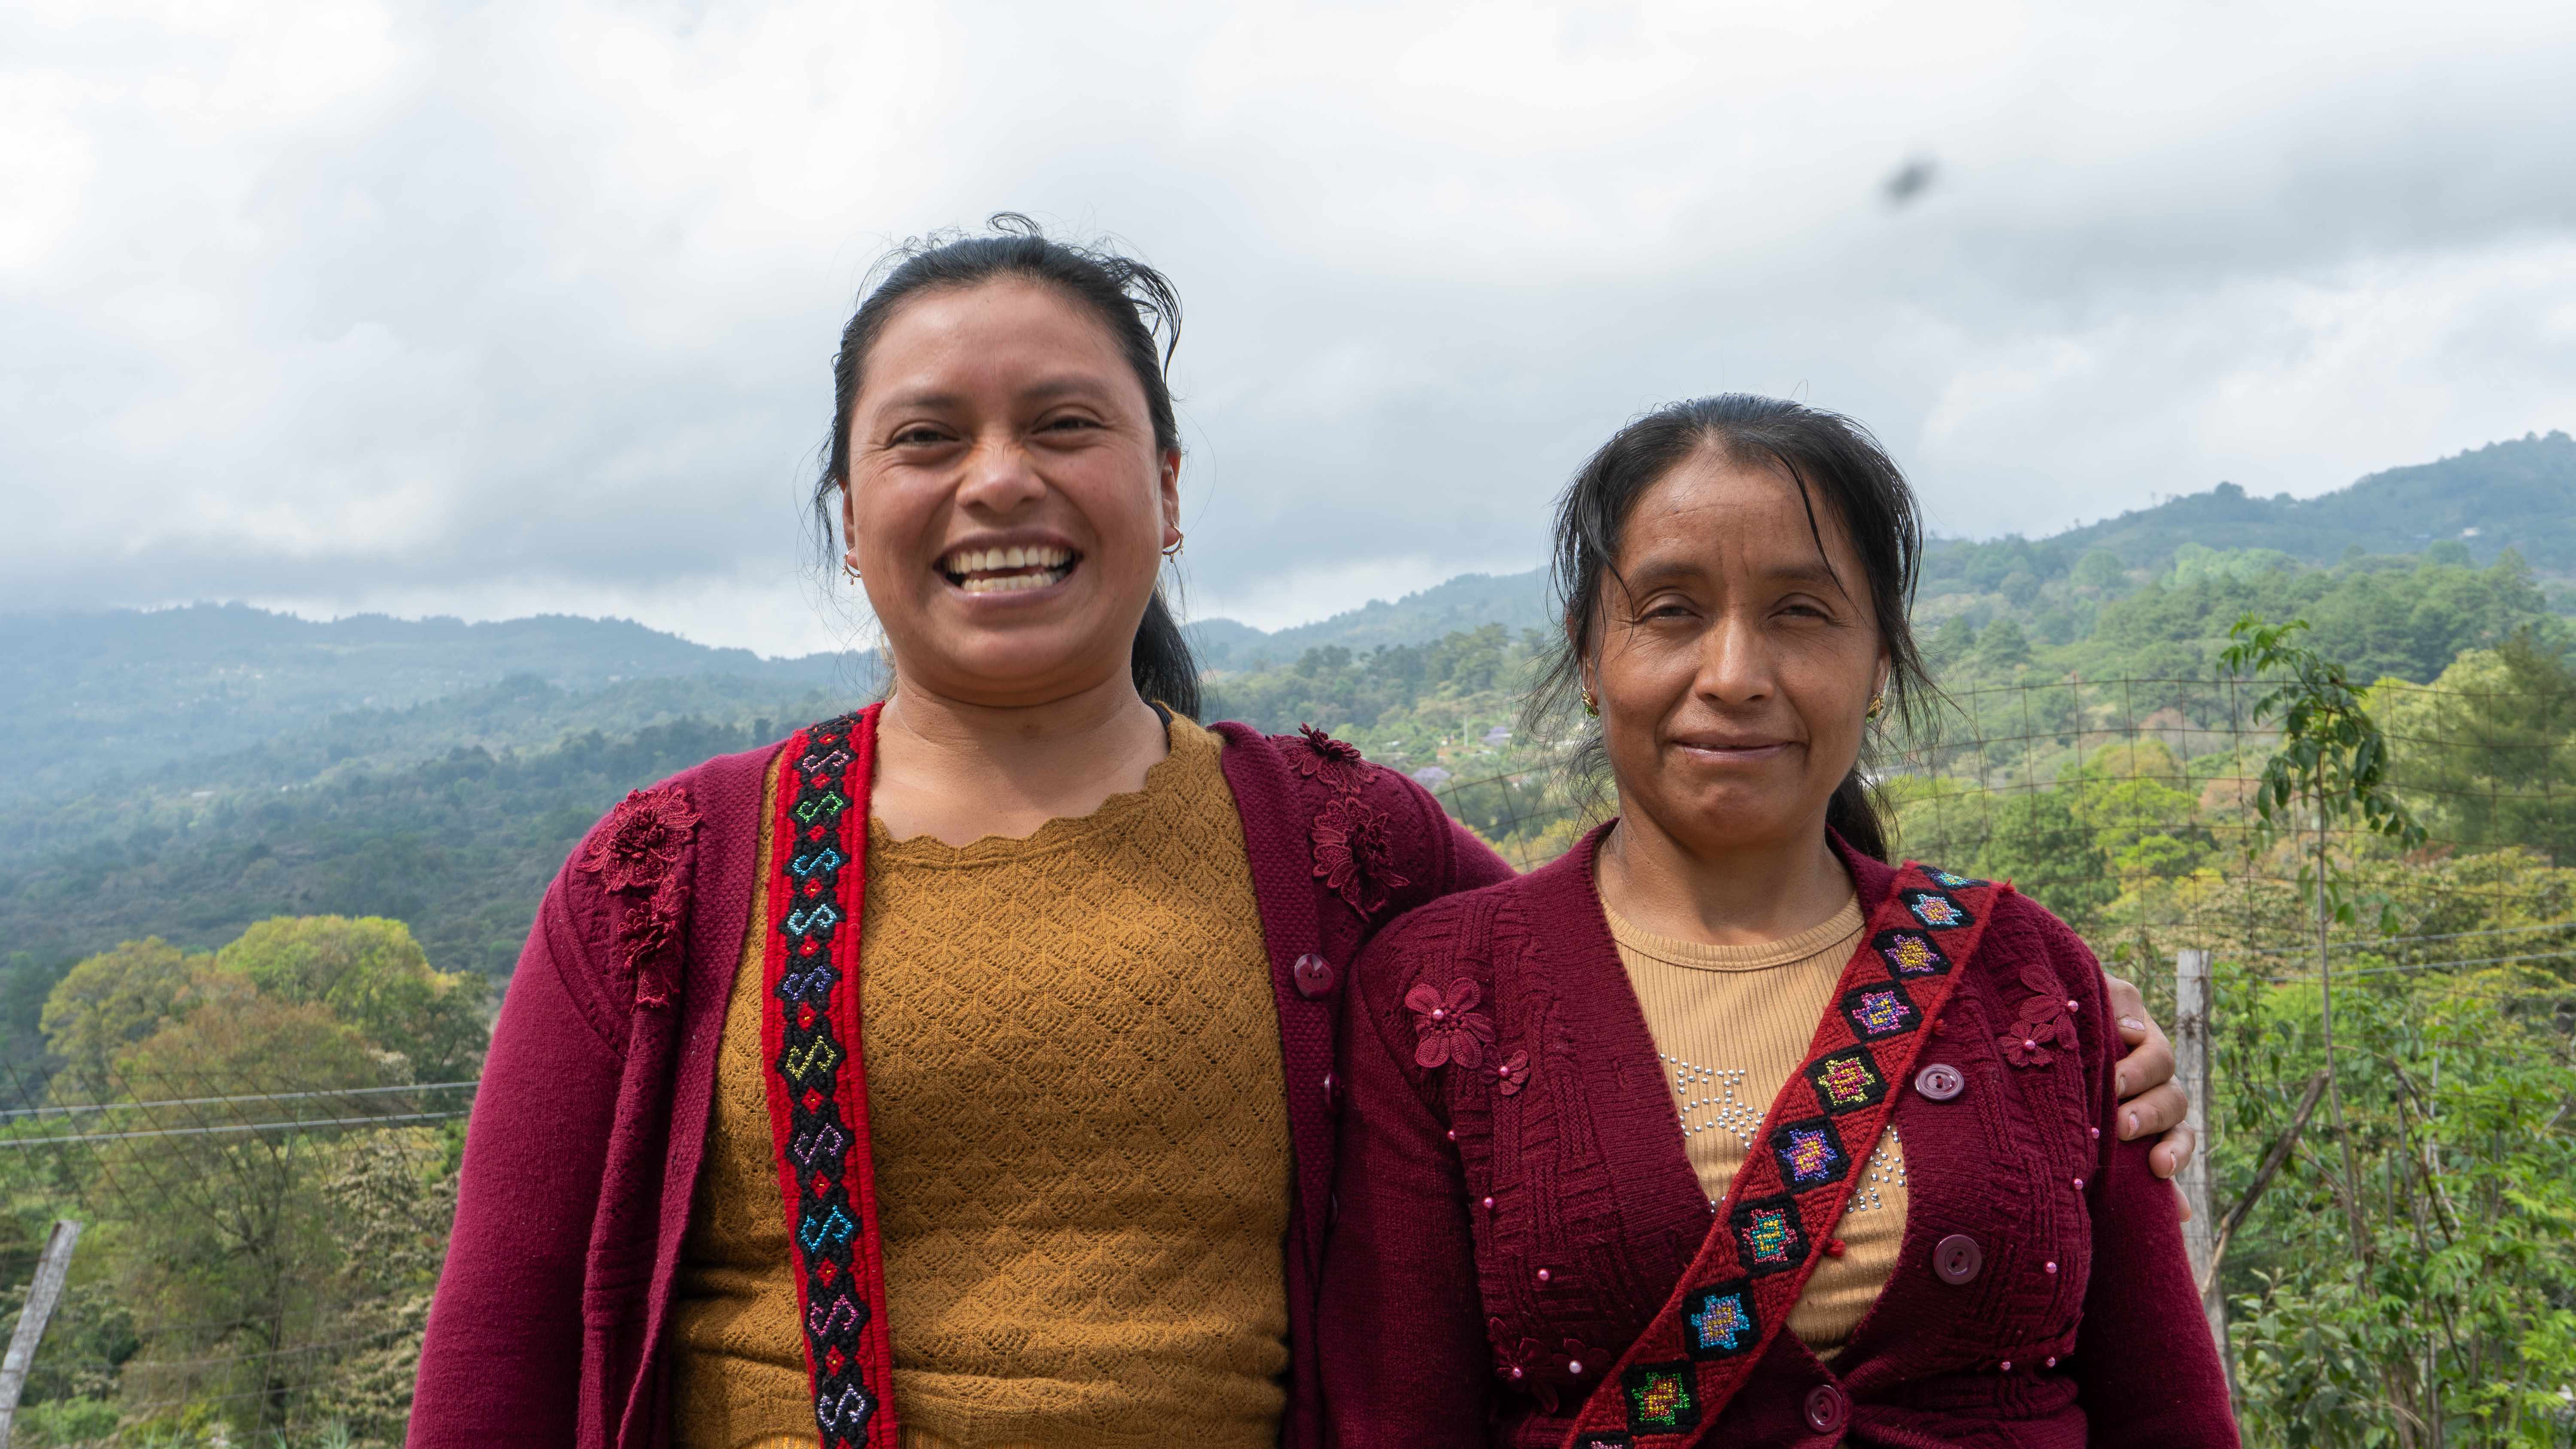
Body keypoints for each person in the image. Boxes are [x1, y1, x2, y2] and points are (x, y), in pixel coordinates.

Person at [407, 222, 2196, 1449]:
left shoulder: (1338, 848)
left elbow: (1625, 994)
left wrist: (2029, 1029)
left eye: (1066, 425)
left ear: (1169, 494)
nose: (999, 483)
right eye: (926, 439)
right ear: (850, 512)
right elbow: (494, 1360)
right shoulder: (673, 880)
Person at [1319, 395, 2237, 1447]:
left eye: (1800, 611)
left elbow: (2169, 1406)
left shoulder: (2024, 973)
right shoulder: (1438, 1000)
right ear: (1586, 656)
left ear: (1881, 660)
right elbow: (1398, 1415)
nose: (1735, 676)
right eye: (1671, 609)